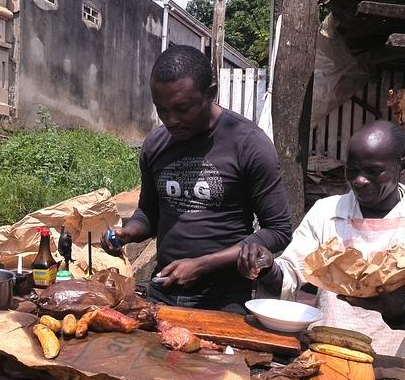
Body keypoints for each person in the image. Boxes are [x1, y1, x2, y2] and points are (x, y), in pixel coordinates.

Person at [238, 120, 405, 361]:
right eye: (352, 170)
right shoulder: (326, 213)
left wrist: (399, 312)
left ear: (403, 166)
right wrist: (268, 267)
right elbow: (291, 271)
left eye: (373, 171)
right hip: (323, 356)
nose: (359, 180)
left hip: (395, 365)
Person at [102, 45, 292, 313]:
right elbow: (149, 213)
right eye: (162, 109)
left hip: (224, 299)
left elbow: (279, 230)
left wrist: (204, 264)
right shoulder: (156, 144)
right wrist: (127, 233)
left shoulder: (248, 143)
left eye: (182, 108)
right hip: (162, 289)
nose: (171, 120)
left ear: (210, 94)